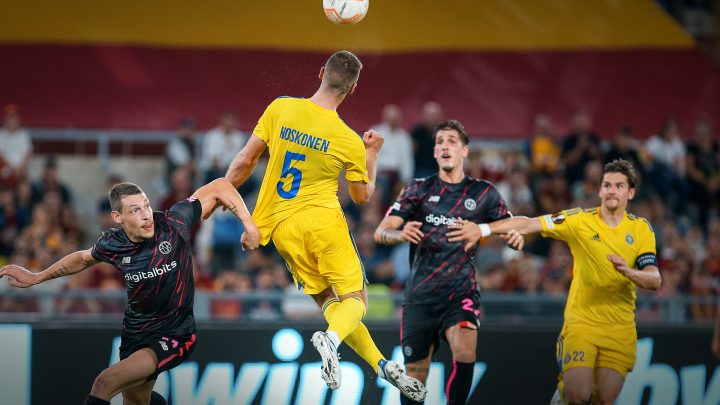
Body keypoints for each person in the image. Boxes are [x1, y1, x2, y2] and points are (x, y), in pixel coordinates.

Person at [224, 50, 426, 401]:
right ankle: (330, 340)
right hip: (323, 223)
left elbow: (244, 161)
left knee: (328, 302)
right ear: (354, 89)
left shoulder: (281, 108)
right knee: (357, 300)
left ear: (321, 73)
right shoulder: (348, 139)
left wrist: (229, 201)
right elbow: (363, 197)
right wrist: (373, 154)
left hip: (282, 228)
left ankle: (380, 365)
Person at [0, 179, 260, 405]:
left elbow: (219, 186)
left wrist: (249, 225)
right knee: (137, 401)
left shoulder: (173, 222)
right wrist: (37, 277)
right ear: (118, 217)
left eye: (146, 205)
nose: (147, 215)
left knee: (104, 383)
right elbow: (81, 259)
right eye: (135, 210)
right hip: (135, 335)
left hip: (175, 334)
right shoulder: (113, 244)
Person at [472, 159, 661, 405]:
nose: (612, 190)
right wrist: (484, 230)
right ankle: (562, 396)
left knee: (603, 400)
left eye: (619, 185)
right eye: (607, 185)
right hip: (582, 323)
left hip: (620, 327)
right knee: (578, 395)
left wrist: (630, 273)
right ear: (600, 190)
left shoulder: (641, 229)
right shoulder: (580, 221)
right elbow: (529, 223)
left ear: (631, 192)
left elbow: (654, 279)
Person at [374, 119, 520, 405]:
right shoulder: (418, 189)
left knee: (466, 350)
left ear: (464, 150)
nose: (444, 146)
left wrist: (507, 236)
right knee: (414, 378)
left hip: (460, 291)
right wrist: (400, 233)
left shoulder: (483, 193)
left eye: (452, 141)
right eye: (440, 141)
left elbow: (513, 227)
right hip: (420, 297)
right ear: (434, 151)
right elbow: (381, 232)